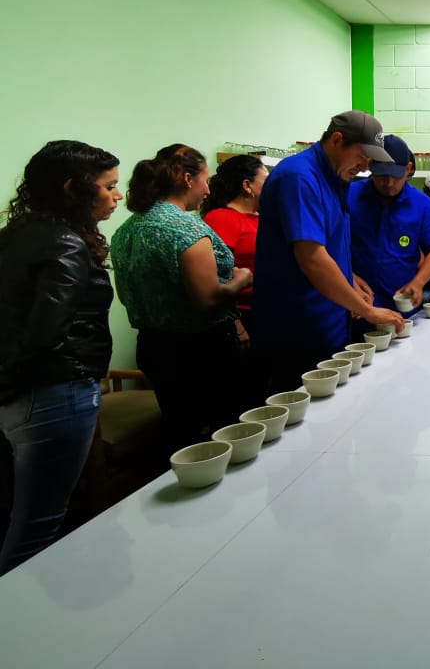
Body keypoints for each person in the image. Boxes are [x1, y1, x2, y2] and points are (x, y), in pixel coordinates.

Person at [0, 141, 120, 574]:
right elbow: (44, 335)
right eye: (108, 187)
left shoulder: (18, 234)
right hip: (54, 391)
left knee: (26, 513)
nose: (117, 196)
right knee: (39, 526)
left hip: (23, 395)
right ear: (75, 188)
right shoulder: (67, 243)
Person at [110, 145, 255, 451]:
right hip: (202, 351)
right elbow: (208, 297)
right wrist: (240, 280)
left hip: (154, 347)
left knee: (183, 435)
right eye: (205, 179)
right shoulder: (186, 229)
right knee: (224, 435)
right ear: (188, 179)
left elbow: (125, 297)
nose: (208, 188)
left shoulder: (126, 230)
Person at [254, 112, 406, 393]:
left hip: (329, 324)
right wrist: (367, 310)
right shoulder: (298, 177)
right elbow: (312, 259)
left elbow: (327, 243)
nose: (365, 167)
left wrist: (350, 276)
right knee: (300, 423)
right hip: (297, 329)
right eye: (362, 156)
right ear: (337, 140)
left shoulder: (336, 179)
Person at [349, 135, 430, 314]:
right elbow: (329, 246)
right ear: (370, 165)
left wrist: (418, 282)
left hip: (401, 308)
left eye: (395, 175)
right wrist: (348, 277)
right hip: (354, 304)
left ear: (408, 169)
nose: (388, 182)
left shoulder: (422, 205)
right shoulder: (348, 196)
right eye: (381, 175)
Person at [201, 154, 267, 344]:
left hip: (266, 311)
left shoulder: (262, 218)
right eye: (266, 181)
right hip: (242, 315)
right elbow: (216, 274)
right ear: (247, 186)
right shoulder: (221, 219)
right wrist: (236, 325)